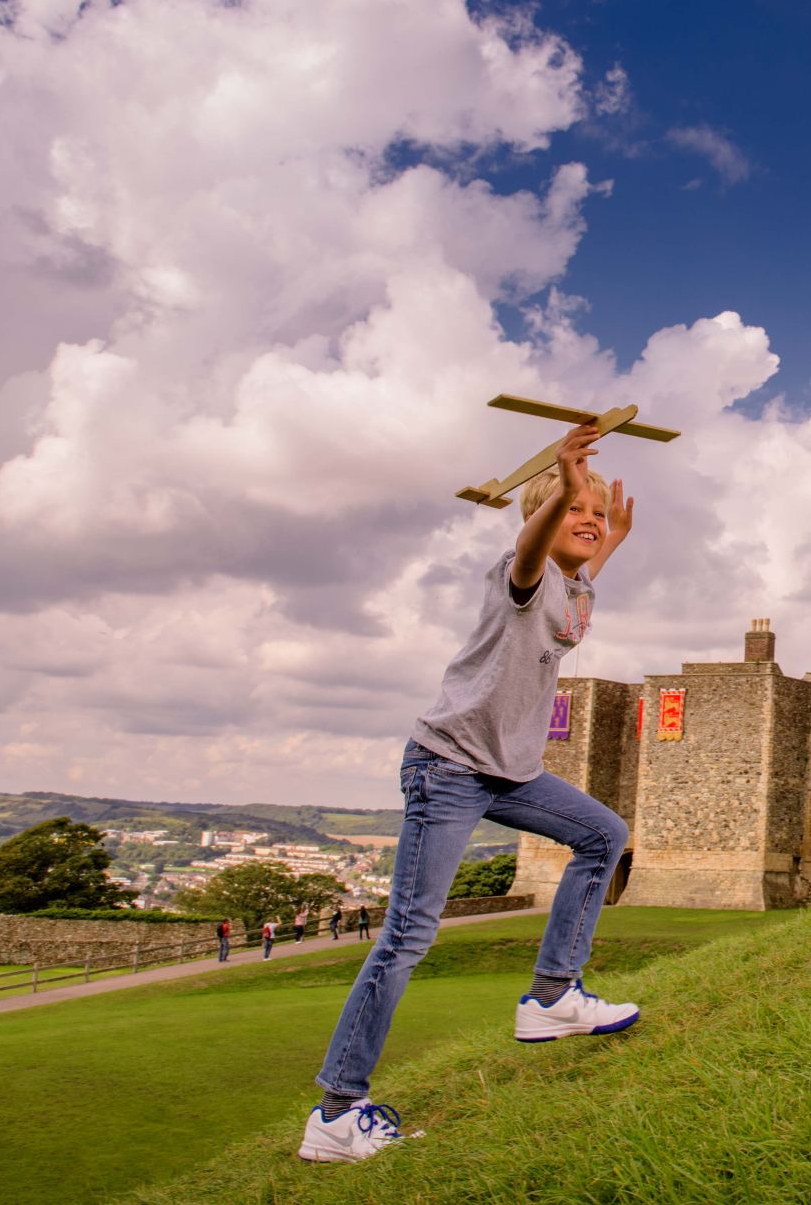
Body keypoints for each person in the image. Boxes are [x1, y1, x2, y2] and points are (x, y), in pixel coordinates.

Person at [300, 423, 640, 1164]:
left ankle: (552, 998)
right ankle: (336, 1112)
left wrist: (608, 533)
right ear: (537, 521)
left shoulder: (576, 590)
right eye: (570, 510)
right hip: (448, 767)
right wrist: (562, 483)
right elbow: (534, 551)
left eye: (595, 513)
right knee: (407, 937)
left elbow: (581, 564)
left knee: (602, 835)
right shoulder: (519, 579)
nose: (587, 520)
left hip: (508, 771)